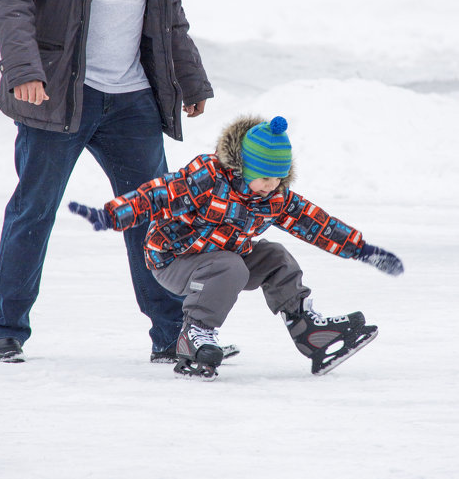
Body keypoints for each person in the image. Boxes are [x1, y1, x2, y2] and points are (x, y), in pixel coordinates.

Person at [0, 0, 214, 364]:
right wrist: (25, 69)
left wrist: (190, 79)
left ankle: (172, 335)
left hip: (131, 95)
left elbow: (169, 14)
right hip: (64, 90)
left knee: (154, 216)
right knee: (34, 210)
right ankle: (7, 328)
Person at [69, 114, 404, 379]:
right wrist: (111, 215)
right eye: (264, 178)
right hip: (173, 260)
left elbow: (316, 223)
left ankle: (308, 331)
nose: (271, 187)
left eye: (278, 179)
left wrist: (362, 249)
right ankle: (194, 334)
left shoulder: (274, 197)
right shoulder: (207, 178)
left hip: (225, 257)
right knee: (230, 266)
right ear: (244, 168)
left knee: (275, 256)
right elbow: (157, 194)